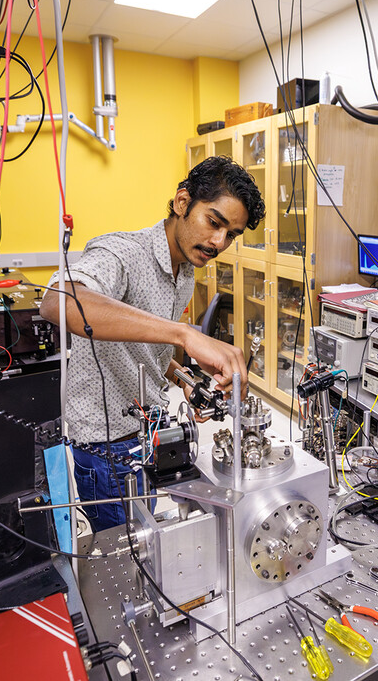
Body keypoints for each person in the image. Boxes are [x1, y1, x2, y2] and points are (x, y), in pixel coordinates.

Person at [39, 155, 265, 532]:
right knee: (129, 558)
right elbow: (57, 301)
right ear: (182, 203)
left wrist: (187, 381)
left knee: (147, 536)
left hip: (145, 429)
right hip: (106, 446)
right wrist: (186, 334)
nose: (218, 242)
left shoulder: (187, 269)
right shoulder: (124, 253)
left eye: (232, 235)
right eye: (214, 222)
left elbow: (142, 348)